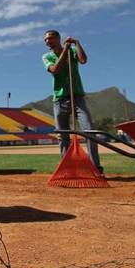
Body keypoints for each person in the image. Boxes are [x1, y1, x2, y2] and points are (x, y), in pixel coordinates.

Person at [42, 30, 103, 174]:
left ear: (58, 38)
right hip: (60, 99)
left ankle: (96, 168)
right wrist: (66, 51)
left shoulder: (72, 51)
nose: (47, 42)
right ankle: (67, 169)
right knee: (63, 136)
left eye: (50, 39)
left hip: (78, 97)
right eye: (45, 40)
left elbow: (83, 60)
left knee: (89, 132)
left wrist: (76, 44)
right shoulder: (47, 56)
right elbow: (55, 69)